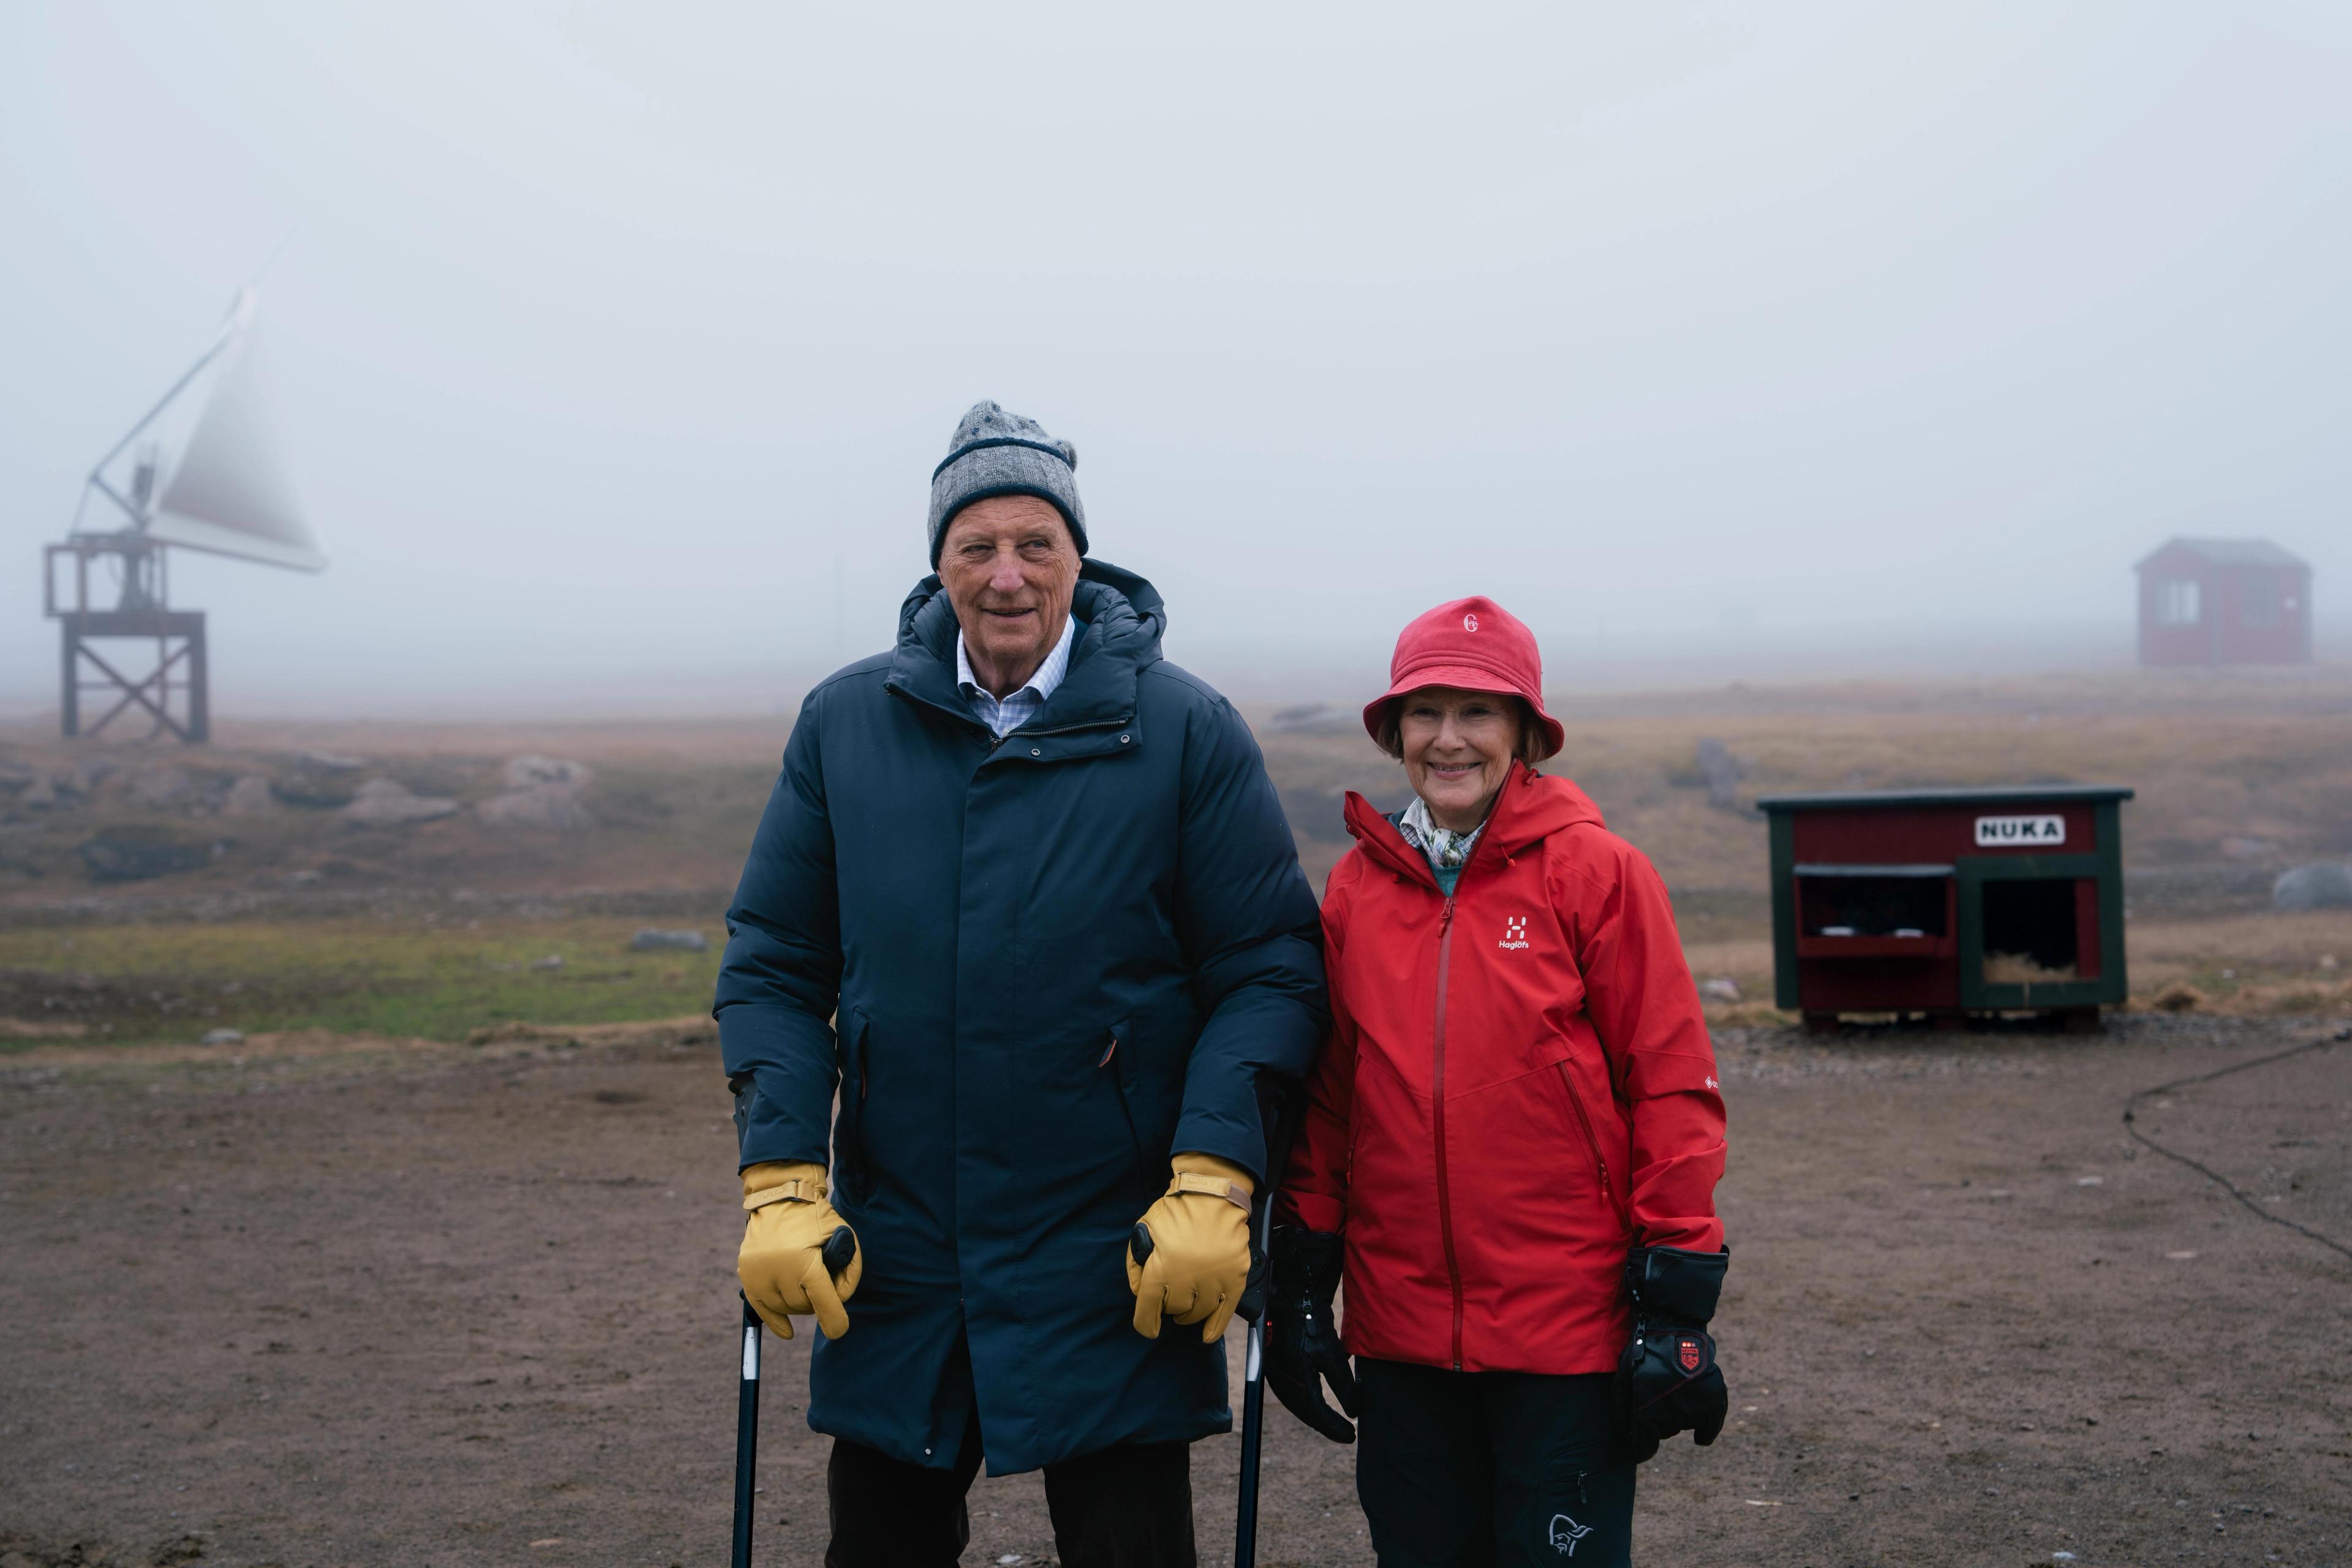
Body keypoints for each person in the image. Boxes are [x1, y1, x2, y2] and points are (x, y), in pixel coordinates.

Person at [713, 400, 1327, 1568]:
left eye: (1035, 544)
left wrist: (1216, 1178)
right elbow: (777, 967)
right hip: (899, 1244)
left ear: (1078, 558)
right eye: (976, 546)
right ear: (938, 564)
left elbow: (1268, 971)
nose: (1006, 576)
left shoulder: (1186, 731)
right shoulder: (846, 724)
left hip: (1119, 1249)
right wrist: (782, 1176)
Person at [1265, 597, 1729, 1568]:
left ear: (1524, 731)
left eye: (1477, 712)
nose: (1449, 740)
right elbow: (1332, 1099)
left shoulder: (1599, 873)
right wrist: (1303, 1283)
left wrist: (1677, 1297)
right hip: (1399, 1335)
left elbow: (1672, 1084)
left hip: (1565, 1334)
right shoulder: (1356, 888)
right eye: (1424, 712)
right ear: (1395, 730)